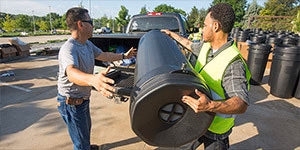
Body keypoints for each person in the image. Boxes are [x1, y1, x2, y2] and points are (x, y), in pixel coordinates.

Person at [162, 3, 251, 150]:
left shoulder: (233, 63)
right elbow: (189, 44)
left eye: (204, 25)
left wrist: (210, 106)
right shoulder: (206, 46)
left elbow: (241, 103)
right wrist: (172, 35)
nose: (201, 29)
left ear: (215, 26)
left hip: (215, 129)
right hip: (196, 119)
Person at [57, 7, 136, 150]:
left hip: (82, 99)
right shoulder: (69, 49)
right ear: (81, 24)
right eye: (91, 21)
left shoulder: (86, 44)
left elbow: (103, 55)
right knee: (80, 140)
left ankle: (85, 145)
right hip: (71, 102)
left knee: (85, 130)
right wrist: (93, 80)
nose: (93, 25)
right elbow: (71, 72)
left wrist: (124, 56)